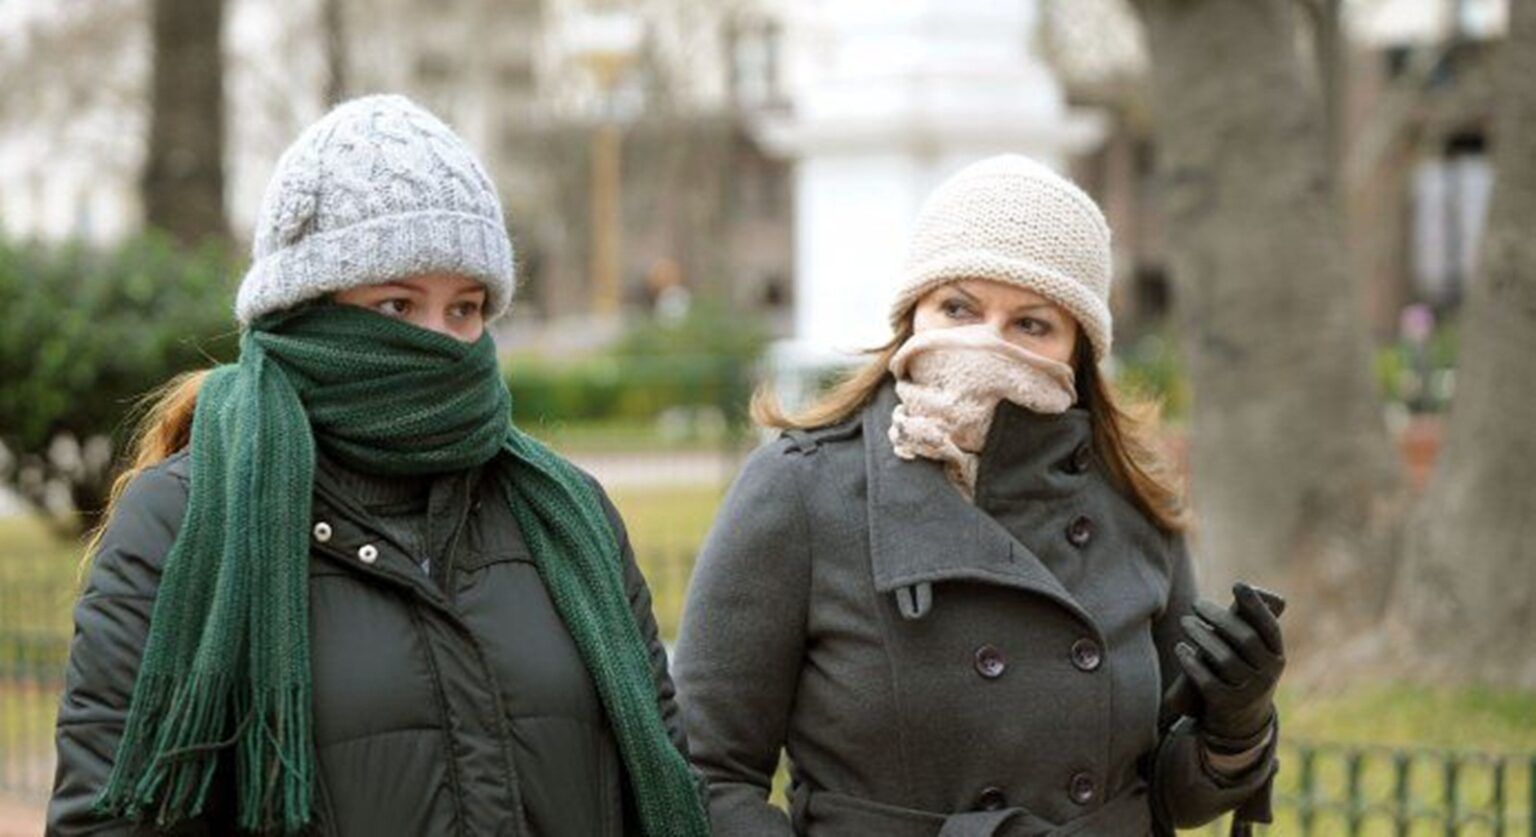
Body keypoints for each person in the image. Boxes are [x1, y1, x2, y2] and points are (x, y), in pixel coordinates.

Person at [46, 94, 708, 837]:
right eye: (398, 305)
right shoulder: (181, 519)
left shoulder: (569, 515)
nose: (440, 342)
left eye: (465, 309)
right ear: (304, 310)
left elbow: (663, 776)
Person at [672, 155, 1283, 836]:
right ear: (913, 315)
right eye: (959, 307)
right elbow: (705, 768)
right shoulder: (801, 490)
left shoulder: (1133, 497)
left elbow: (1164, 794)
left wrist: (1237, 724)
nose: (986, 343)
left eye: (1031, 323)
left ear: (1077, 348)